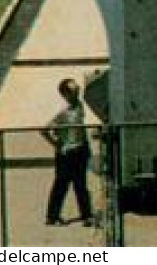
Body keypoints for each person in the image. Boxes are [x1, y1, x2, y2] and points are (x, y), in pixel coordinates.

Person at [42, 79, 94, 227]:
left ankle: (86, 215)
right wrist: (56, 145)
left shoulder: (79, 106)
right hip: (66, 152)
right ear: (65, 94)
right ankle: (52, 216)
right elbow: (44, 130)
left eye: (78, 90)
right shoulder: (62, 111)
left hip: (80, 149)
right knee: (61, 184)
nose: (77, 93)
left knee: (81, 185)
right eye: (73, 91)